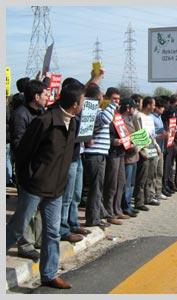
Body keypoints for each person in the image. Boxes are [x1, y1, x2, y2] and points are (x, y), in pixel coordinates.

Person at [6, 82, 86, 289]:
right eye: (83, 101)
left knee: (52, 232)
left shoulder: (74, 123)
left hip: (56, 188)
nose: (84, 104)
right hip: (35, 187)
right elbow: (23, 153)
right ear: (75, 104)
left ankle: (49, 275)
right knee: (17, 228)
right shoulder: (45, 121)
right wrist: (28, 179)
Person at [9, 79, 48, 261]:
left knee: (39, 207)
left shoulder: (41, 112)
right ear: (36, 96)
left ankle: (37, 239)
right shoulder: (20, 114)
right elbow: (18, 144)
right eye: (45, 94)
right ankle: (24, 244)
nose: (48, 97)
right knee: (27, 209)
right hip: (27, 169)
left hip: (41, 168)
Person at [83, 80, 120, 229]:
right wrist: (111, 105)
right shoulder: (94, 112)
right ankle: (93, 219)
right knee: (96, 188)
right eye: (102, 96)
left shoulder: (97, 111)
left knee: (98, 187)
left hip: (99, 154)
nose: (103, 98)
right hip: (94, 154)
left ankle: (97, 215)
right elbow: (105, 120)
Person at [59, 78, 91, 243]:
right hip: (68, 160)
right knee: (67, 196)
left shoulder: (77, 116)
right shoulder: (61, 115)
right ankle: (63, 229)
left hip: (77, 156)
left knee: (76, 194)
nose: (83, 103)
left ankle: (73, 222)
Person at [102, 88, 130, 224]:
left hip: (121, 153)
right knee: (111, 184)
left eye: (118, 99)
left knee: (121, 182)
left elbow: (123, 132)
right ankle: (109, 212)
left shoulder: (118, 115)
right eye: (114, 99)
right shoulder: (104, 114)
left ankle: (117, 209)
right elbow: (103, 133)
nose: (117, 102)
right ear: (107, 99)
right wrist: (114, 141)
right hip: (111, 153)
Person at [132, 96, 162, 211]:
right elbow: (138, 131)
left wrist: (157, 146)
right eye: (153, 105)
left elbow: (152, 134)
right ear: (148, 105)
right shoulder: (138, 116)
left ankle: (148, 196)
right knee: (142, 176)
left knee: (151, 174)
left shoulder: (150, 118)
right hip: (143, 148)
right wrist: (141, 149)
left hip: (152, 147)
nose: (154, 107)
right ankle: (139, 201)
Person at [120, 98, 140, 217]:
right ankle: (125, 206)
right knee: (126, 184)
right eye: (133, 107)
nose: (135, 110)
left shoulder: (131, 119)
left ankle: (129, 205)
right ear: (128, 108)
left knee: (132, 183)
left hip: (135, 156)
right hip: (127, 156)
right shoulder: (121, 120)